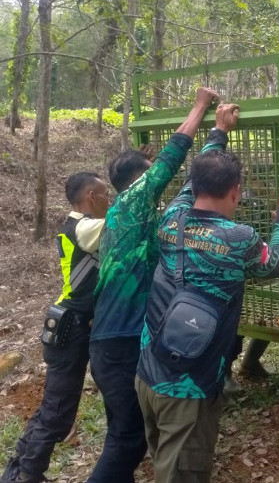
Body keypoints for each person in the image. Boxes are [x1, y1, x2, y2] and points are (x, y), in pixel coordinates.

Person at [135, 103, 279, 483]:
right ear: (235, 191)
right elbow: (274, 260)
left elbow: (193, 182)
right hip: (188, 386)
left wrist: (218, 133)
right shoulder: (237, 238)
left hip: (148, 372)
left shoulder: (172, 218)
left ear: (193, 187)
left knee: (163, 459)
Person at [86, 87, 220, 483]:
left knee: (123, 433)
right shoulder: (130, 203)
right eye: (150, 175)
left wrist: (217, 139)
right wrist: (201, 107)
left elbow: (184, 192)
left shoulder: (127, 218)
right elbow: (173, 156)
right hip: (121, 340)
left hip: (111, 341)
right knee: (128, 440)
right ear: (139, 181)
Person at [0, 173, 108, 483]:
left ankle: (17, 469)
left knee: (53, 408)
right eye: (104, 193)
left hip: (66, 325)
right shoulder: (85, 227)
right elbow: (127, 214)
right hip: (70, 329)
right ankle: (29, 475)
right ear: (90, 196)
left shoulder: (78, 226)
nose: (109, 200)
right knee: (58, 414)